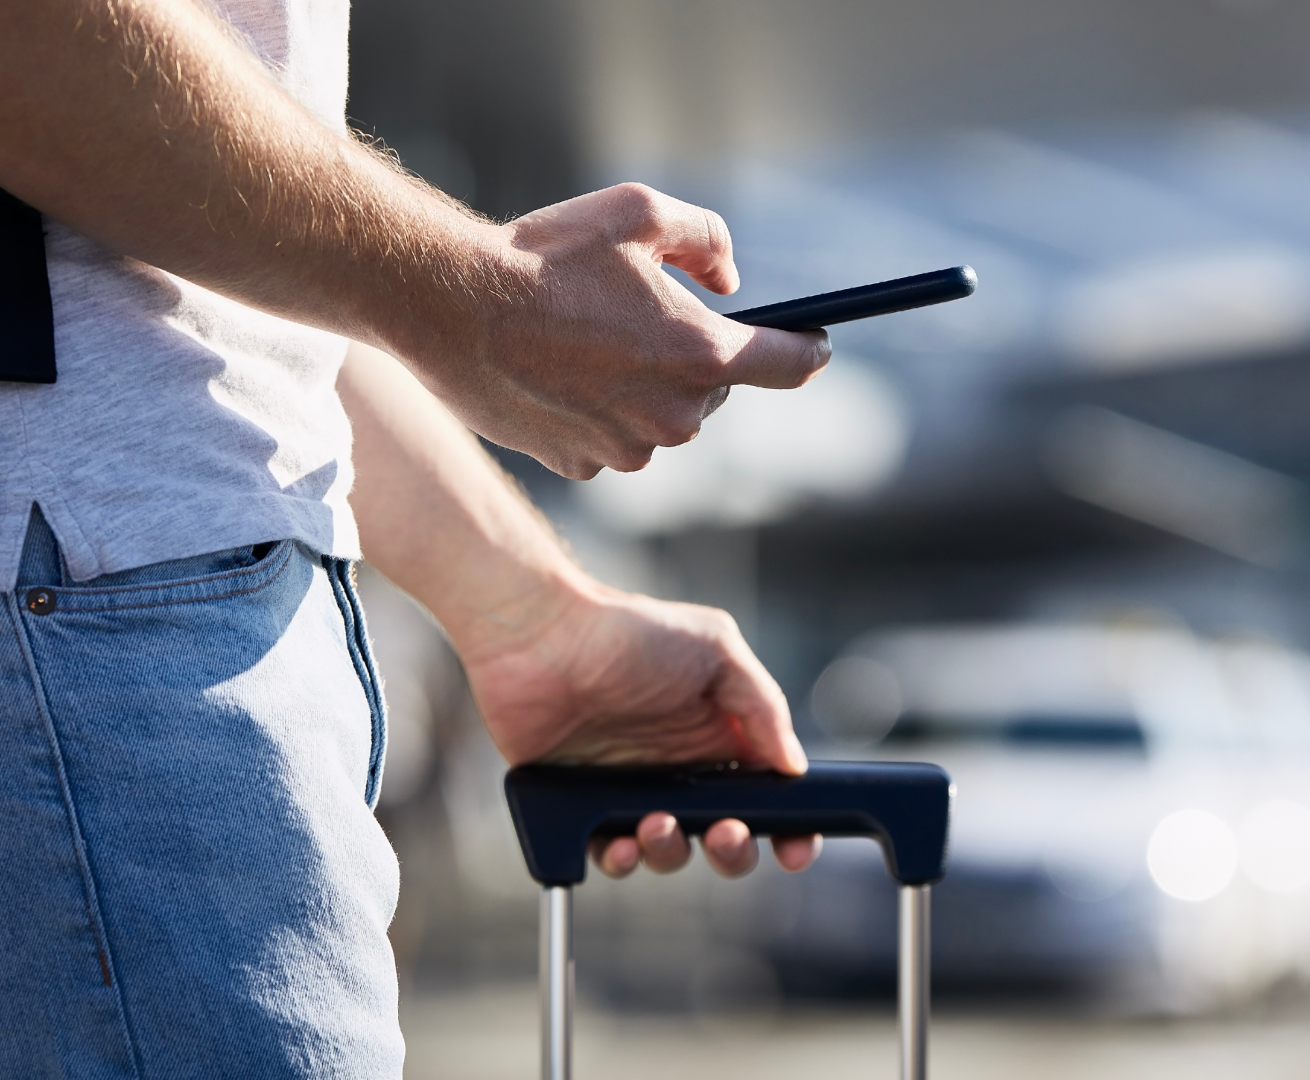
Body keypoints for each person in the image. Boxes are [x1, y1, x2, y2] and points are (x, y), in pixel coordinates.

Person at [0, 0, 832, 1074]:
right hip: (83, 599)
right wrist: (483, 300)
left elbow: (211, 283)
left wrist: (527, 610)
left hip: (99, 584)